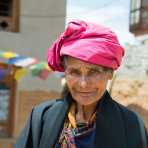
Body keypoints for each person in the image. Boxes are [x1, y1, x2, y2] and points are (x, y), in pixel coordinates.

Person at [14, 20, 148, 148]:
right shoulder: (42, 117)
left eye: (94, 72)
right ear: (65, 73)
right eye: (74, 72)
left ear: (110, 73)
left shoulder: (131, 125)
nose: (83, 84)